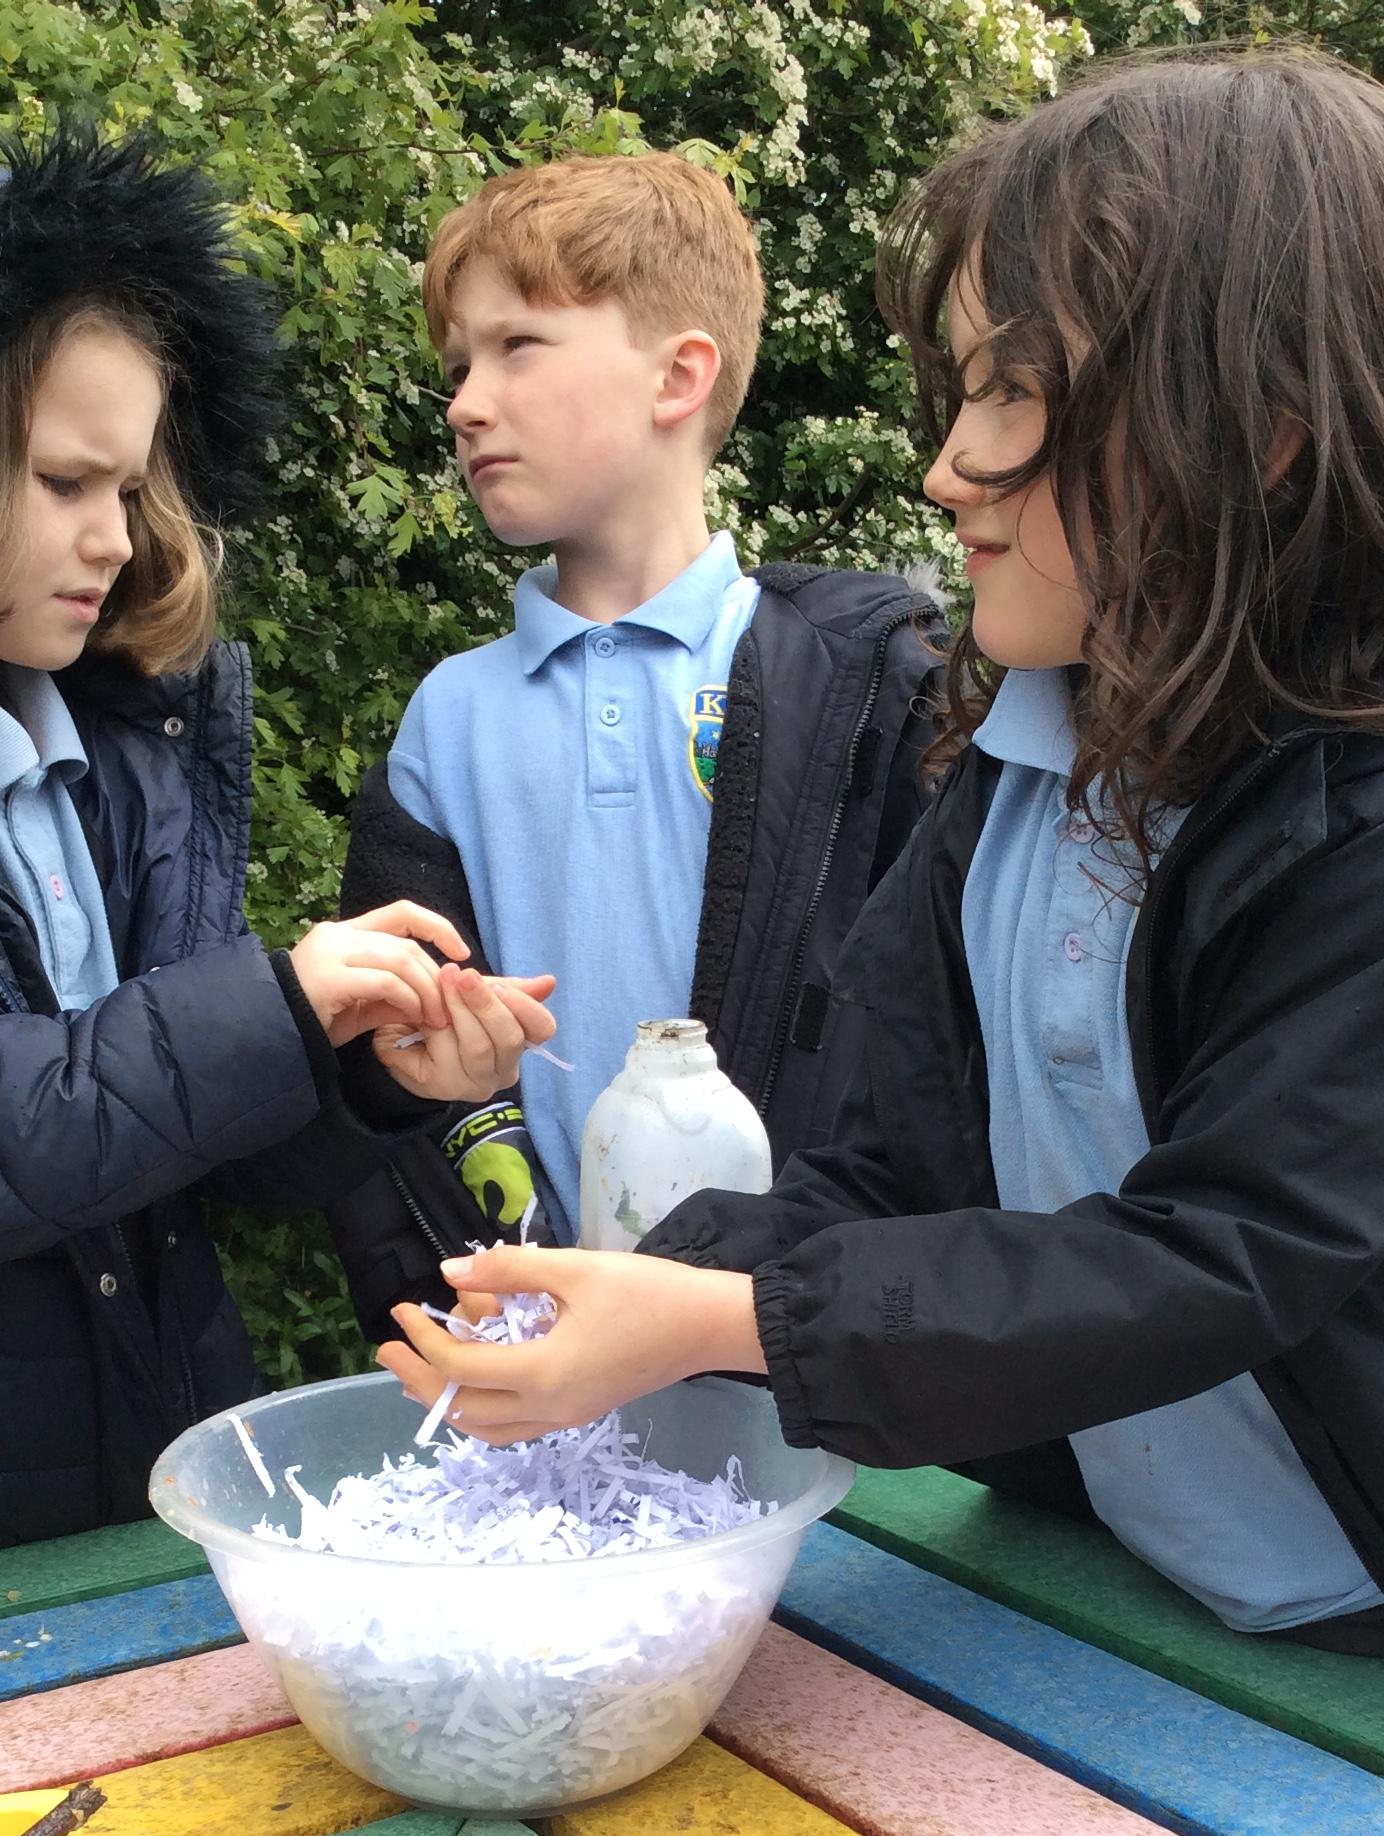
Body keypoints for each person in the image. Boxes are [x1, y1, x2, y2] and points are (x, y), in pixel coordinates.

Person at [379, 50, 1384, 1733]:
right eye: (960, 391)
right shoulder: (1015, 765)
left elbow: (1217, 1252)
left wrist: (730, 1316)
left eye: (1016, 393)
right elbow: (892, 1171)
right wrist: (614, 1286)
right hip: (1125, 1581)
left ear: (1258, 433)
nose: (949, 466)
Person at [0, 130, 552, 1597]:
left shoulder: (125, 747)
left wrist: (353, 1074)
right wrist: (261, 1012)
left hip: (140, 1500)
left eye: (133, 485)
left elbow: (162, 1144)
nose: (113, 539)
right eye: (63, 482)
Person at [327, 150, 942, 1338]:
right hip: (539, 1350)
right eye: (457, 367)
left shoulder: (858, 687)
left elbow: (925, 1053)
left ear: (678, 376)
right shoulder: (447, 719)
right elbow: (382, 1095)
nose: (464, 403)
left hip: (794, 1344)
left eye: (517, 346)